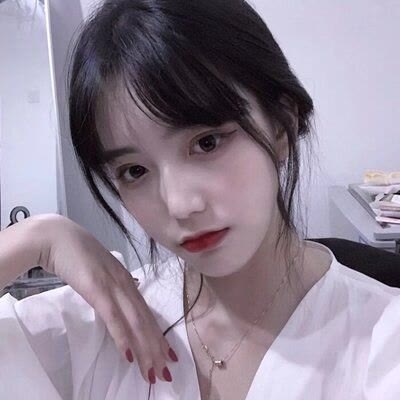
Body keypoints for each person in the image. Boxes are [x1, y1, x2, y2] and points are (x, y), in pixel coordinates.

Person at [1, 0, 400, 398]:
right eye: (134, 171)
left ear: (281, 126)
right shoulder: (98, 327)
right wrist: (38, 237)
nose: (179, 204)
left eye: (207, 143)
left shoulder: (382, 344)